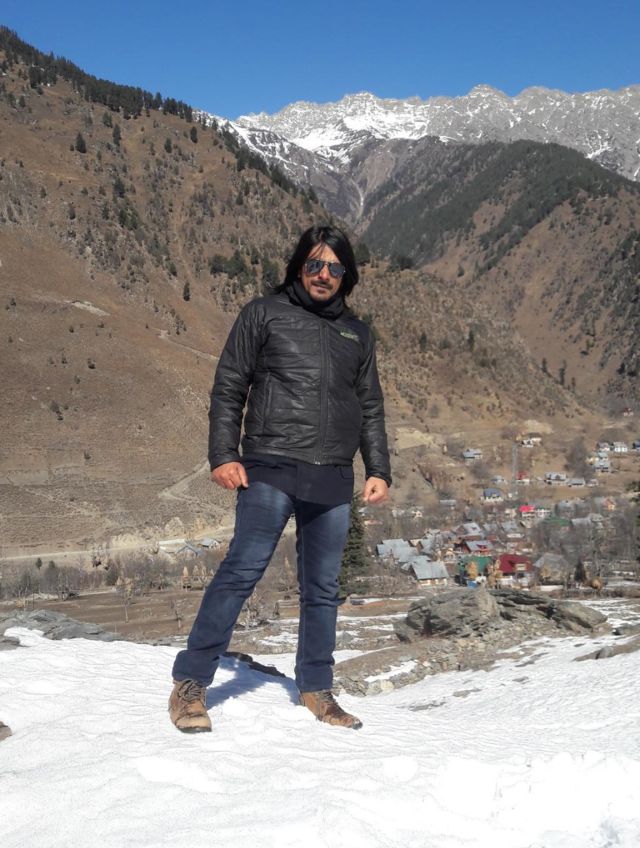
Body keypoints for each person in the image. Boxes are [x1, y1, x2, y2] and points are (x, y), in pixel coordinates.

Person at [169, 224, 391, 732]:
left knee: (323, 588)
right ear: (298, 267)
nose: (323, 275)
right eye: (314, 264)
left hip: (332, 476)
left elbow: (371, 406)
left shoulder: (357, 334)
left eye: (334, 267)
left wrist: (378, 468)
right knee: (242, 570)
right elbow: (229, 385)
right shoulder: (263, 313)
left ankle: (316, 687)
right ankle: (191, 683)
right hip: (270, 464)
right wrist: (223, 454)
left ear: (346, 275)